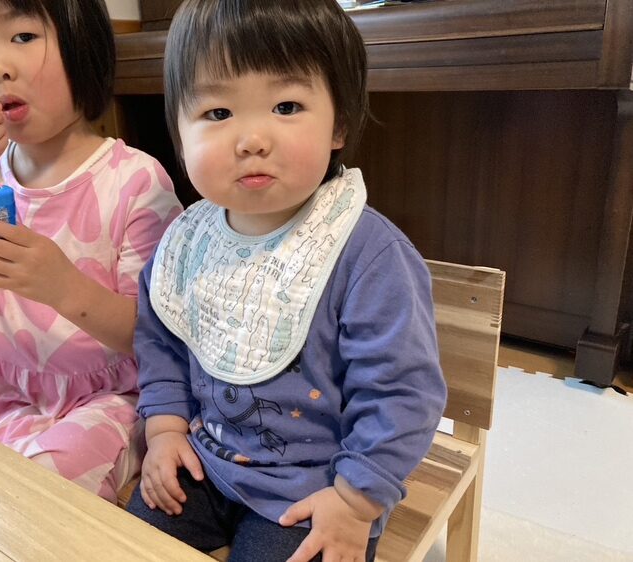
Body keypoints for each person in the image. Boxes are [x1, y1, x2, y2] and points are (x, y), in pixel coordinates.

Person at [125, 0, 448, 560]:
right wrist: (165, 430)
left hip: (321, 488)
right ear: (178, 128)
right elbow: (162, 344)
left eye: (286, 106)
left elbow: (402, 392)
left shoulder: (369, 255)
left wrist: (355, 500)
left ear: (339, 124)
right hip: (203, 461)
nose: (252, 139)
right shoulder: (188, 240)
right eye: (218, 112)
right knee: (115, 545)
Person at [0, 0, 182, 503]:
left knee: (45, 491)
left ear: (84, 44)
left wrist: (62, 286)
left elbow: (156, 337)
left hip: (106, 397)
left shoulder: (136, 180)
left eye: (23, 36)